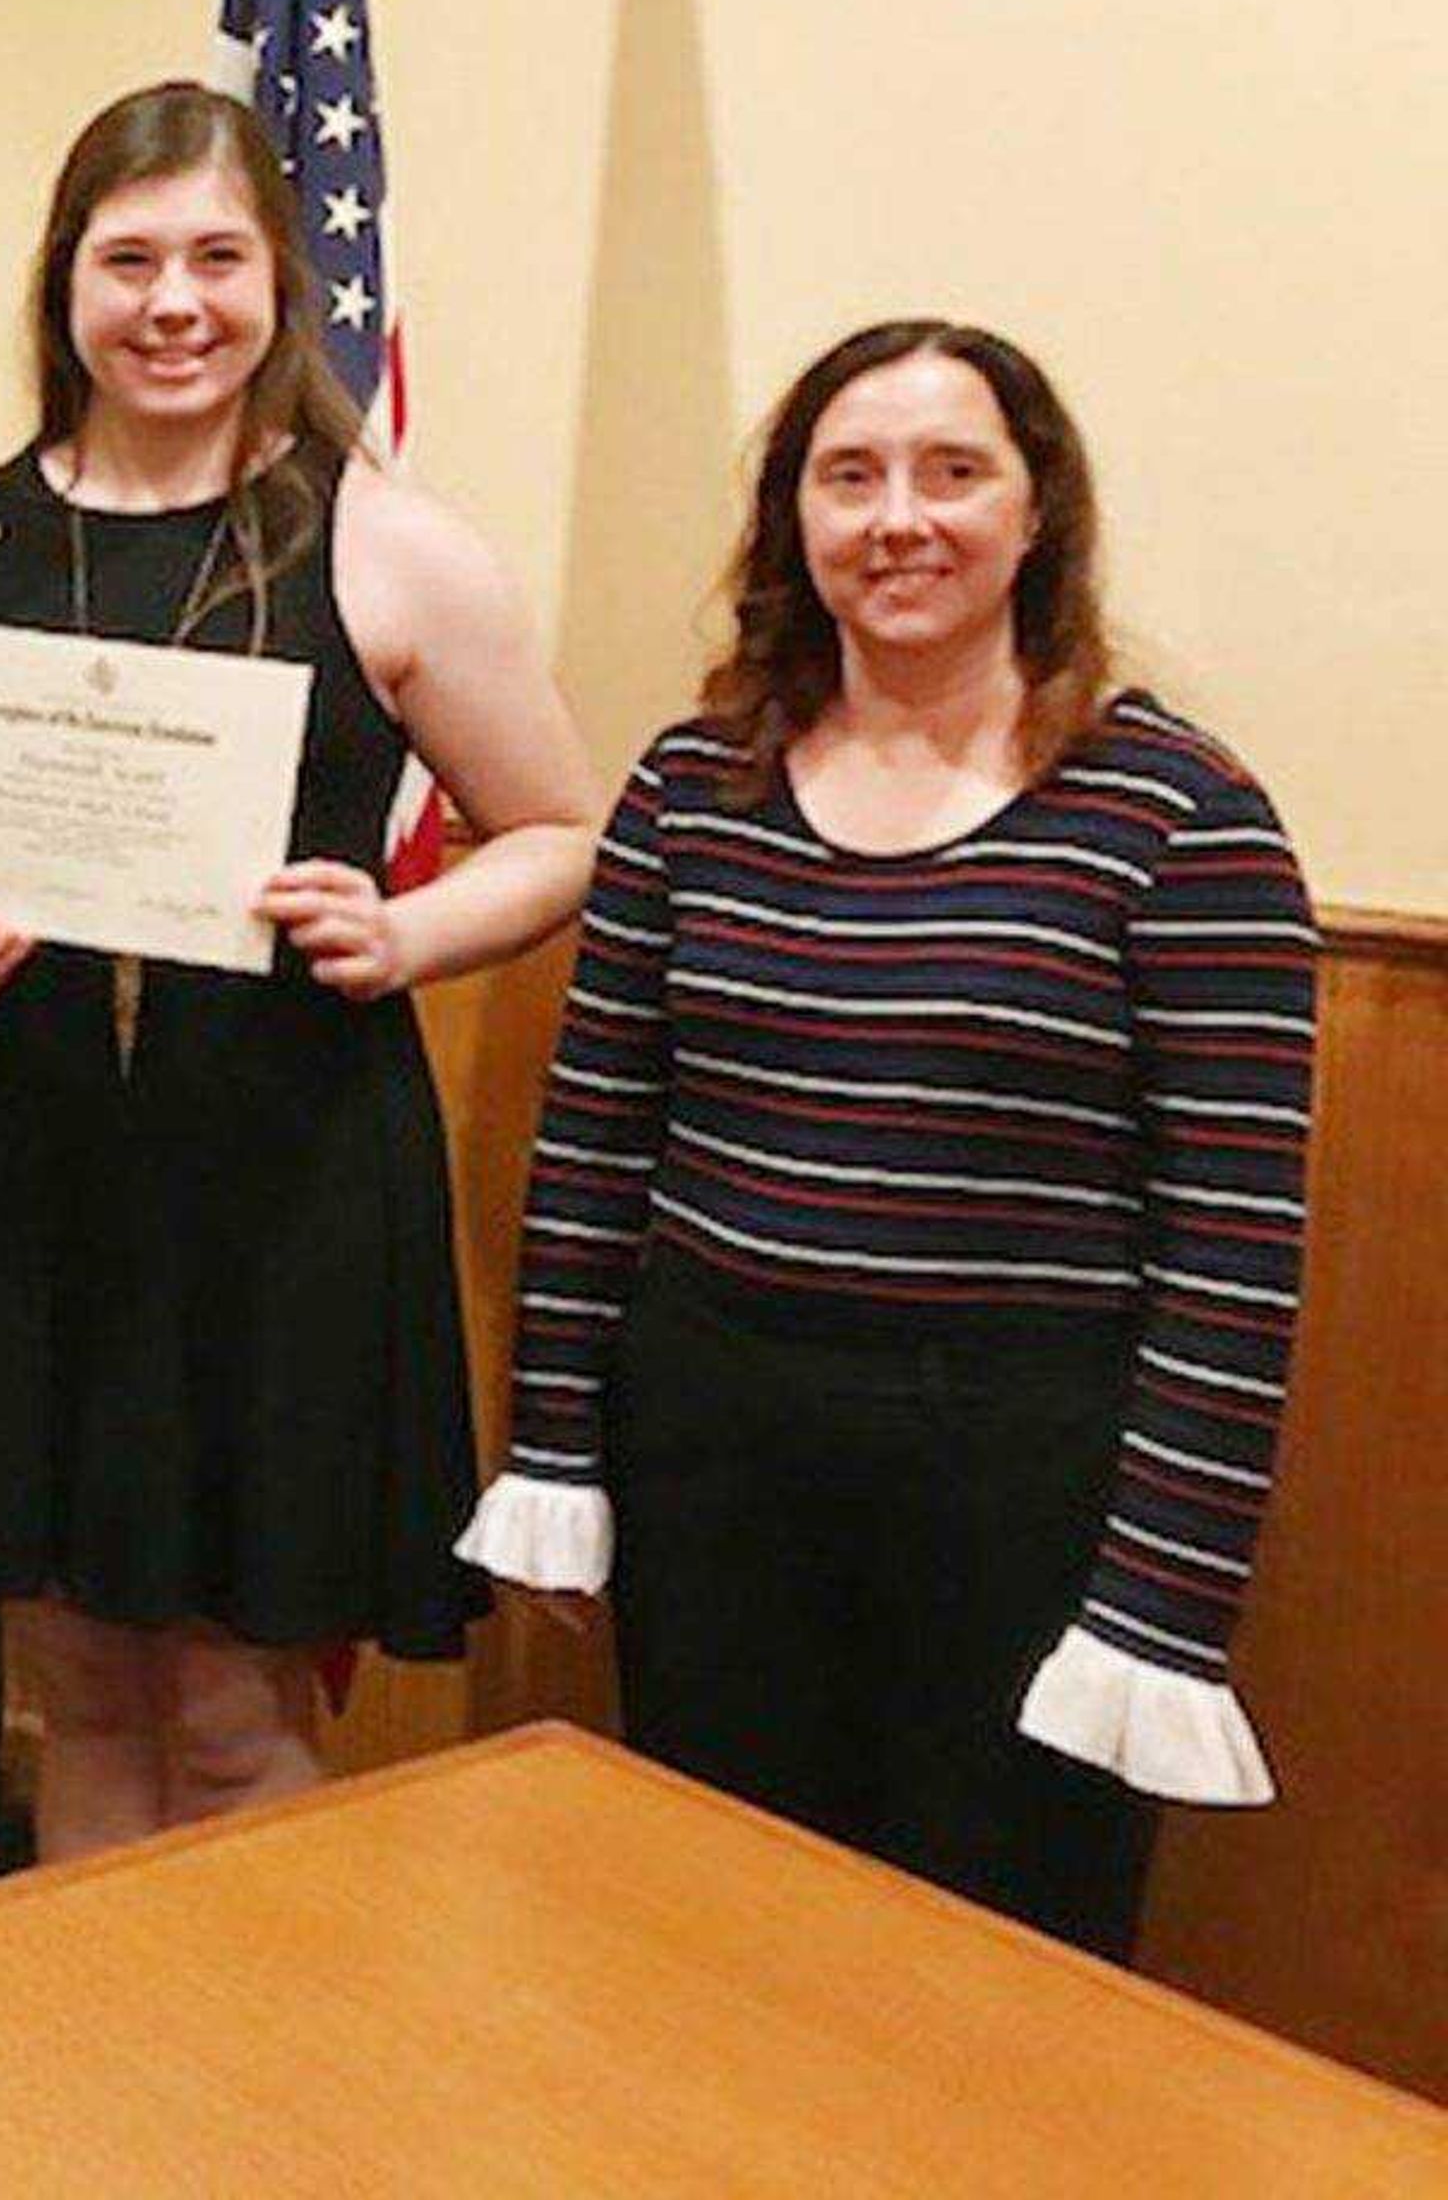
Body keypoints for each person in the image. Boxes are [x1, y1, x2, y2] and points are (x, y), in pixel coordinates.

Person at [456, 319, 1316, 1957]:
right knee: (724, 1926)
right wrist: (557, 1448)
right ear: (795, 519)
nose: (897, 518)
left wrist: (1162, 1599)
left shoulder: (1177, 818)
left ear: (1036, 510)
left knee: (995, 1958)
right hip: (715, 1447)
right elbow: (592, 1150)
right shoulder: (689, 792)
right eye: (848, 477)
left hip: (1025, 1480)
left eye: (952, 472)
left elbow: (1236, 1261)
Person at [0, 80, 600, 1862]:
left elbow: (564, 830)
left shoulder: (391, 541)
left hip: (288, 1191)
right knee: (82, 1692)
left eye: (215, 259)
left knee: (238, 1711)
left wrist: (403, 933)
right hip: (36, 1184)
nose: (171, 304)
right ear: (64, 286)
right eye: (129, 261)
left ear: (280, 284)